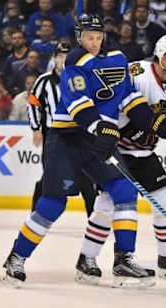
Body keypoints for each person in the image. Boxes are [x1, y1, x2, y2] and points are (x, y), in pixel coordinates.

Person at [0, 14, 166, 289]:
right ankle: (16, 258)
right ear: (79, 37)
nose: (94, 43)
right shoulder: (75, 61)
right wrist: (101, 126)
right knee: (53, 204)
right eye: (89, 37)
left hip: (97, 140)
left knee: (124, 190)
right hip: (67, 140)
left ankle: (123, 260)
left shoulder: (118, 58)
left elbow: (128, 98)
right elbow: (78, 102)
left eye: (98, 37)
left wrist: (159, 125)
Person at [77, 34, 166, 280]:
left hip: (143, 153)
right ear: (164, 58)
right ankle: (87, 258)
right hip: (117, 150)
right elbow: (114, 101)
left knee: (165, 200)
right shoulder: (136, 72)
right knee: (107, 205)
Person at [26, 42, 98, 217]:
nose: (62, 59)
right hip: (54, 135)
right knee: (50, 177)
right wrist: (36, 128)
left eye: (65, 56)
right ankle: (36, 216)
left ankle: (94, 218)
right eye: (59, 56)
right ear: (54, 58)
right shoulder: (44, 81)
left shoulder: (81, 79)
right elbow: (33, 104)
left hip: (79, 134)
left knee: (86, 178)